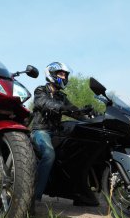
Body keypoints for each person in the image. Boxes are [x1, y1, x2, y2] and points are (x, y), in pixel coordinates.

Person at [30, 62, 99, 210]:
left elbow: (73, 111)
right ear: (52, 74)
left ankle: (79, 194)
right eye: (61, 74)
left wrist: (90, 117)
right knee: (48, 154)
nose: (64, 77)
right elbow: (45, 103)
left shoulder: (62, 96)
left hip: (56, 132)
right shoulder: (41, 90)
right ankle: (35, 198)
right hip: (40, 131)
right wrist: (63, 108)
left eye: (65, 75)